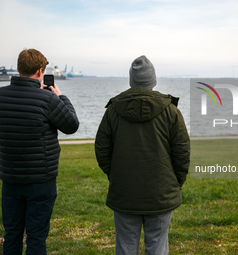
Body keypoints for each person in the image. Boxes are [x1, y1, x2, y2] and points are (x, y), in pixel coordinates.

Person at [95, 55, 190, 255]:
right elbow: (182, 152)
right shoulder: (171, 111)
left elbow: (102, 150)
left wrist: (116, 175)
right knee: (157, 247)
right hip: (161, 193)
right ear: (153, 81)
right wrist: (175, 182)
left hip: (125, 192)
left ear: (132, 81)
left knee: (125, 247)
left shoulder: (113, 110)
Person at [0, 49, 79, 255]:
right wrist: (61, 97)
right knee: (36, 237)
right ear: (40, 72)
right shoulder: (48, 99)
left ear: (18, 69)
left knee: (12, 235)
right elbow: (71, 125)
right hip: (40, 180)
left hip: (10, 177)